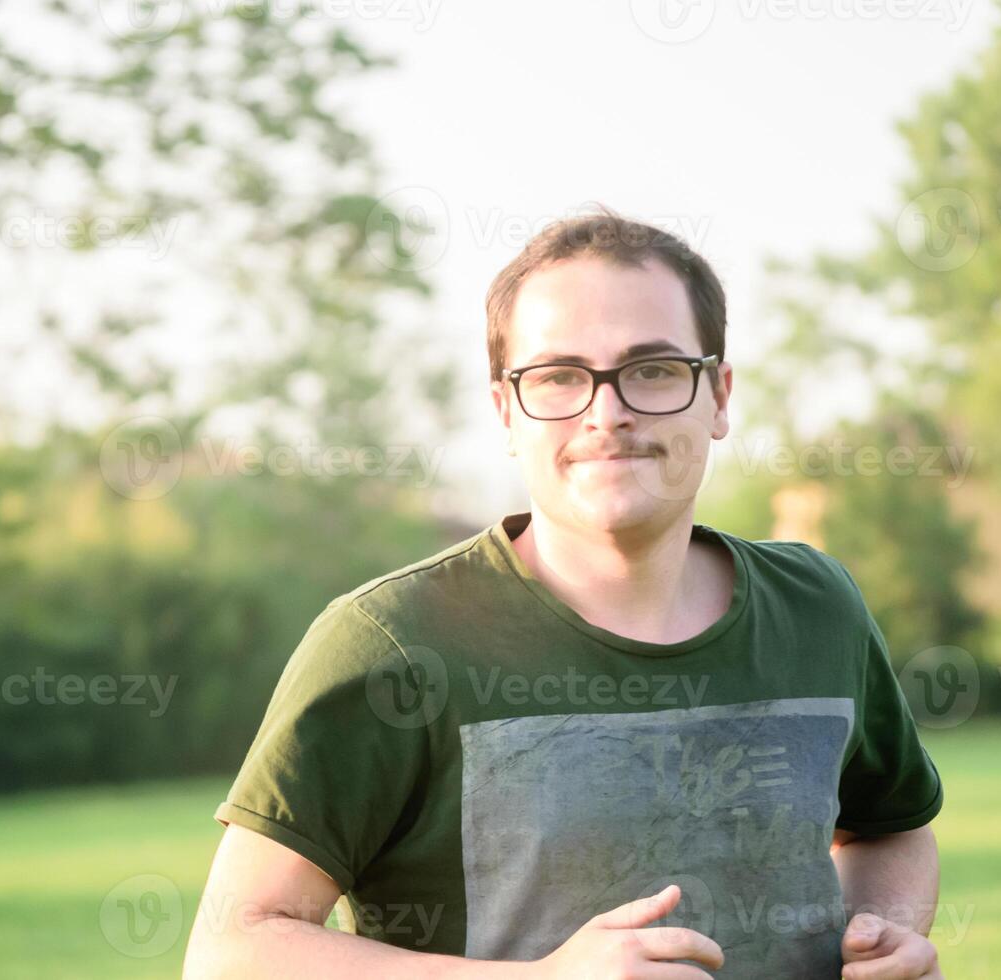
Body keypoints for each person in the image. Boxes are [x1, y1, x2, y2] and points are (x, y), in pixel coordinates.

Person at [183, 208, 945, 979]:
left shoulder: (818, 606)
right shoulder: (391, 643)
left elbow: (890, 828)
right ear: (506, 410)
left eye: (652, 370)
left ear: (717, 396)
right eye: (558, 377)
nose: (606, 414)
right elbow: (233, 949)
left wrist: (879, 934)